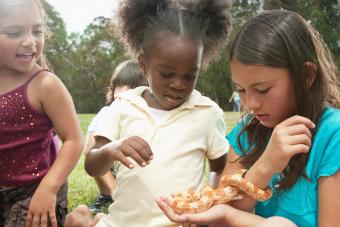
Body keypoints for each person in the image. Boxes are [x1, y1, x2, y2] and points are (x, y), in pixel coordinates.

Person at [157, 10, 340, 227]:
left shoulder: (332, 135)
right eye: (241, 90)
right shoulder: (248, 131)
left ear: (307, 76)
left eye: (262, 89)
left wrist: (229, 216)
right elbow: (218, 213)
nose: (250, 104)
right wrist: (266, 165)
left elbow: (225, 213)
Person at [64, 0, 232, 226]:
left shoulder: (207, 113)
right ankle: (89, 219)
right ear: (143, 65)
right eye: (166, 74)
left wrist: (207, 201)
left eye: (189, 75)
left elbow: (219, 167)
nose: (178, 84)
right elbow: (92, 165)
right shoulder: (124, 106)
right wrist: (112, 149)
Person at [0, 0, 83, 226]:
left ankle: (77, 220)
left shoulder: (45, 85)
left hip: (36, 191)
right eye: (15, 32)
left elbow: (74, 140)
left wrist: (49, 188)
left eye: (37, 31)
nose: (30, 41)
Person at [85, 59, 148, 214]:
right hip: (111, 174)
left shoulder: (148, 115)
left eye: (131, 86)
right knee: (96, 151)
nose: (122, 92)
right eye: (118, 85)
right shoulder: (107, 113)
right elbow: (88, 149)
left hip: (139, 176)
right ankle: (107, 195)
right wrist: (113, 190)